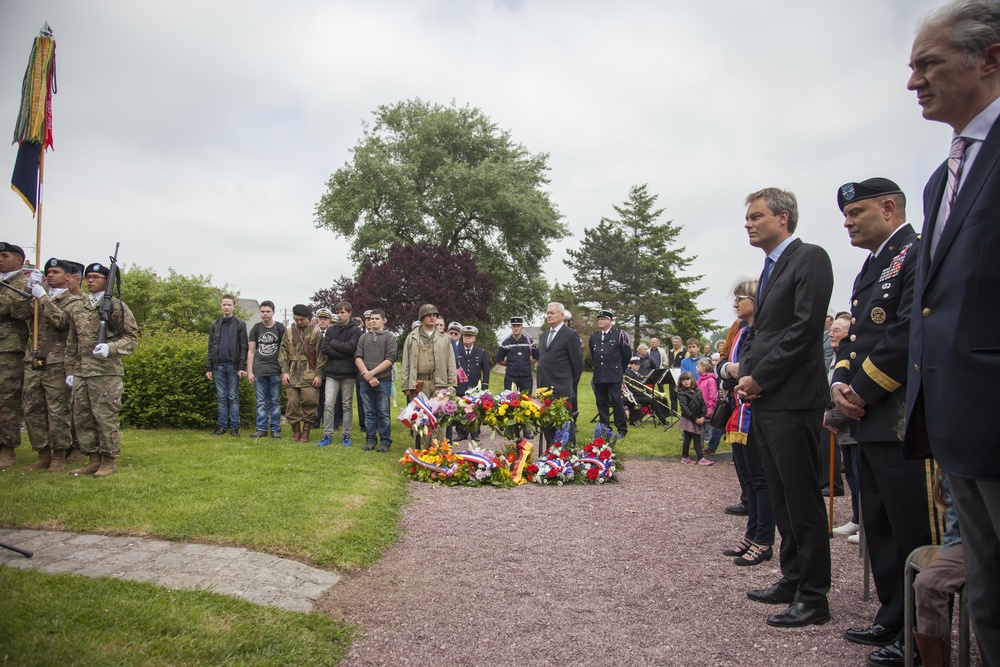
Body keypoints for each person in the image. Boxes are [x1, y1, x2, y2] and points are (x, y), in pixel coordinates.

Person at [905, 4, 1000, 663]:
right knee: (990, 599)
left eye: (928, 63)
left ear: (990, 59)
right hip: (961, 426)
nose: (913, 82)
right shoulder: (943, 177)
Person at [830, 178, 931, 665]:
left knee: (911, 526)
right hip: (866, 417)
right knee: (878, 521)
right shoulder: (871, 267)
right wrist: (839, 385)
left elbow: (908, 332)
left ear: (889, 208)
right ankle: (892, 614)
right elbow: (853, 340)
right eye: (846, 215)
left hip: (899, 417)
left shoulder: (915, 252)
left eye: (857, 213)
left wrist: (860, 391)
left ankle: (918, 630)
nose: (848, 223)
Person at [736, 187, 833, 628]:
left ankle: (814, 597)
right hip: (768, 399)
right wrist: (743, 375)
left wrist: (761, 375)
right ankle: (792, 579)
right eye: (748, 218)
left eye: (757, 216)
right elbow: (764, 333)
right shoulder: (770, 268)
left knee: (802, 500)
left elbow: (804, 330)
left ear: (783, 217)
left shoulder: (809, 258)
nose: (749, 223)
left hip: (794, 401)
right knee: (781, 496)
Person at [718, 279, 775, 566]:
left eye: (741, 297)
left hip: (756, 412)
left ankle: (764, 539)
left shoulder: (765, 331)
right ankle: (752, 534)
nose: (735, 303)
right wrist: (727, 368)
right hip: (738, 410)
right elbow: (724, 364)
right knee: (749, 480)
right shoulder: (742, 331)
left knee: (762, 480)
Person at [65, 262, 139, 478]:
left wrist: (111, 347)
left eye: (96, 277)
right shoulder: (78, 307)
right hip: (82, 371)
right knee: (83, 418)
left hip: (106, 372)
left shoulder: (117, 307)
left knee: (105, 416)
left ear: (107, 281)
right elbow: (72, 343)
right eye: (88, 276)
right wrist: (70, 371)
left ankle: (108, 460)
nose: (90, 280)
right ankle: (92, 459)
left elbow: (131, 339)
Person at [22, 258, 85, 472]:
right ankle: (42, 453)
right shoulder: (38, 297)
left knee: (57, 410)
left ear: (68, 277)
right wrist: (29, 289)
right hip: (35, 359)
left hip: (57, 361)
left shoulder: (74, 301)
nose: (50, 275)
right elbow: (20, 315)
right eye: (48, 272)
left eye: (55, 272)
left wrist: (43, 297)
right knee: (32, 408)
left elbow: (62, 322)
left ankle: (59, 454)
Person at [913, 472, 964, 667]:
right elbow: (955, 514)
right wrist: (949, 545)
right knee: (928, 582)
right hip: (972, 541)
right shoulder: (954, 455)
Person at [823, 312, 861, 540]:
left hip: (854, 426)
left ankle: (866, 523)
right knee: (852, 478)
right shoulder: (835, 359)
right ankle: (857, 519)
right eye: (831, 330)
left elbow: (851, 395)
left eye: (837, 330)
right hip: (842, 431)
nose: (831, 334)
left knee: (861, 475)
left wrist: (831, 416)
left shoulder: (853, 359)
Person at [401, 304, 457, 443]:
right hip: (419, 383)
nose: (432, 317)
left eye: (434, 315)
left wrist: (452, 384)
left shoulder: (444, 338)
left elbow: (451, 361)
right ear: (422, 317)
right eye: (429, 315)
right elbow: (406, 362)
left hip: (439, 383)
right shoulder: (411, 337)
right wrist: (406, 385)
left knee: (440, 419)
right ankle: (423, 453)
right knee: (420, 418)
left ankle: (440, 452)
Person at [0, 242, 33, 469]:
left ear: (19, 260)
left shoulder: (24, 282)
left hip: (8, 349)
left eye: (4, 256)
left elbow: (17, 310)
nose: (0, 259)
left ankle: (7, 449)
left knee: (7, 401)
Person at [536, 301, 583, 447]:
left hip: (561, 388)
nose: (549, 315)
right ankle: (551, 455)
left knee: (564, 424)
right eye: (548, 313)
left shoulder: (570, 335)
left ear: (562, 316)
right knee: (547, 423)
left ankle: (568, 455)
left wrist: (569, 384)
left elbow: (578, 364)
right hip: (544, 388)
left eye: (552, 313)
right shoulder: (544, 335)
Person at [279, 304, 326, 442]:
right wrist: (284, 372)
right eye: (296, 319)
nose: (299, 322)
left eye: (302, 319)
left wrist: (318, 375)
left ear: (308, 318)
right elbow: (282, 354)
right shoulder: (288, 332)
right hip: (292, 373)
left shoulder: (315, 333)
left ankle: (306, 431)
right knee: (292, 403)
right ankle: (296, 431)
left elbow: (321, 356)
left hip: (309, 374)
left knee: (310, 402)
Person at [318, 301, 362, 448]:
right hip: (331, 373)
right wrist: (341, 351)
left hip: (348, 373)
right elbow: (325, 348)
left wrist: (335, 344)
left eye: (342, 312)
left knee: (346, 405)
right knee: (328, 403)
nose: (340, 315)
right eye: (338, 312)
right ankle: (327, 434)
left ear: (349, 313)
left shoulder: (356, 330)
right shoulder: (331, 330)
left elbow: (351, 348)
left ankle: (346, 435)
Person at [355, 308, 397, 452]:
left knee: (383, 412)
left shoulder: (389, 337)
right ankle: (370, 440)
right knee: (369, 413)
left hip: (383, 381)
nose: (373, 321)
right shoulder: (363, 338)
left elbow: (390, 359)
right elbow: (358, 357)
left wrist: (372, 373)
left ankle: (385, 441)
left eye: (376, 318)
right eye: (371, 318)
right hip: (365, 381)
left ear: (383, 320)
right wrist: (366, 374)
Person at [206, 294, 248, 437]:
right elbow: (211, 347)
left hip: (233, 366)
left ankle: (235, 427)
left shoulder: (240, 324)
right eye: (224, 304)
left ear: (234, 307)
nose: (226, 307)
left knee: (233, 397)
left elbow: (244, 347)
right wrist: (209, 367)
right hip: (218, 366)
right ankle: (222, 426)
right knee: (221, 397)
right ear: (220, 306)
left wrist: (242, 366)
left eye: (229, 304)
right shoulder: (215, 325)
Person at [588, 309, 631, 438]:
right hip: (599, 374)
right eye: (598, 319)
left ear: (610, 321)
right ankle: (604, 427)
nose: (600, 321)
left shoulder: (619, 335)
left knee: (617, 401)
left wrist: (618, 370)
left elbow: (627, 355)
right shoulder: (594, 336)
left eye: (602, 319)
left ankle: (621, 428)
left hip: (614, 374)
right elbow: (592, 354)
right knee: (601, 402)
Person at [247, 301, 285, 439]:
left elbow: (285, 350)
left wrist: (284, 371)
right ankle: (261, 428)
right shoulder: (256, 329)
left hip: (275, 370)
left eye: (267, 311)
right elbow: (251, 351)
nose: (265, 314)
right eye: (262, 311)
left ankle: (275, 429)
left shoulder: (280, 328)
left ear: (273, 312)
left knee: (275, 401)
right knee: (261, 402)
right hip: (259, 371)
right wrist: (250, 371)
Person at [455, 325, 490, 442]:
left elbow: (486, 370)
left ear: (474, 338)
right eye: (465, 336)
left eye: (470, 336)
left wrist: (485, 386)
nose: (467, 338)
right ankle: (461, 433)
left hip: (475, 387)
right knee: (460, 409)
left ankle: (475, 433)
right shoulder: (457, 351)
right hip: (460, 386)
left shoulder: (480, 352)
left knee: (475, 410)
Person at [677, 371, 711, 466]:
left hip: (699, 417)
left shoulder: (698, 391)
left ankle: (699, 458)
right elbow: (685, 408)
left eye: (687, 379)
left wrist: (703, 416)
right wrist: (695, 419)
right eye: (683, 380)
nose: (686, 382)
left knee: (697, 438)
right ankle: (687, 457)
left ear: (692, 380)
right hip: (689, 419)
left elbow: (703, 403)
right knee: (688, 438)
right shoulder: (682, 393)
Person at [496, 316, 537, 393]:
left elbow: (536, 356)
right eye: (514, 326)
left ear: (522, 327)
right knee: (510, 400)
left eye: (518, 326)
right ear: (511, 327)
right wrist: (510, 364)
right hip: (511, 377)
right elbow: (499, 360)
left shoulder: (529, 342)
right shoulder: (505, 343)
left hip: (526, 377)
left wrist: (526, 364)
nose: (516, 328)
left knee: (527, 400)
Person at [312, 307, 333, 430]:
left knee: (328, 398)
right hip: (315, 369)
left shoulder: (333, 333)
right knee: (316, 397)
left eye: (325, 319)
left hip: (329, 368)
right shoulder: (314, 333)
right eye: (321, 319)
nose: (323, 321)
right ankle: (315, 420)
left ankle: (327, 420)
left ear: (329, 321)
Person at [696, 358, 722, 455]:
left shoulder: (711, 380)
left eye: (698, 367)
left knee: (709, 427)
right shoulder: (699, 379)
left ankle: (711, 446)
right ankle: (700, 444)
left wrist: (711, 407)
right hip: (700, 408)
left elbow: (713, 395)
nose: (696, 368)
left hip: (707, 408)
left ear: (704, 368)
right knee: (700, 427)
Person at [623, 357, 653, 425]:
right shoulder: (629, 374)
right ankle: (661, 418)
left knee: (661, 398)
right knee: (653, 400)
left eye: (638, 365)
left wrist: (650, 393)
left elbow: (644, 386)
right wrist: (645, 394)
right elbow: (631, 389)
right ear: (631, 365)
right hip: (635, 395)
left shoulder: (638, 374)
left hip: (641, 394)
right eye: (635, 364)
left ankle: (664, 416)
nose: (637, 366)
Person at [666, 335, 685, 414]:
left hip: (680, 375)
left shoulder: (684, 352)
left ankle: (684, 410)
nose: (675, 344)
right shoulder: (670, 352)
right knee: (672, 394)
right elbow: (669, 362)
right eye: (673, 342)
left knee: (681, 394)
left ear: (680, 342)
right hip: (672, 375)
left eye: (677, 342)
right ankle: (673, 411)